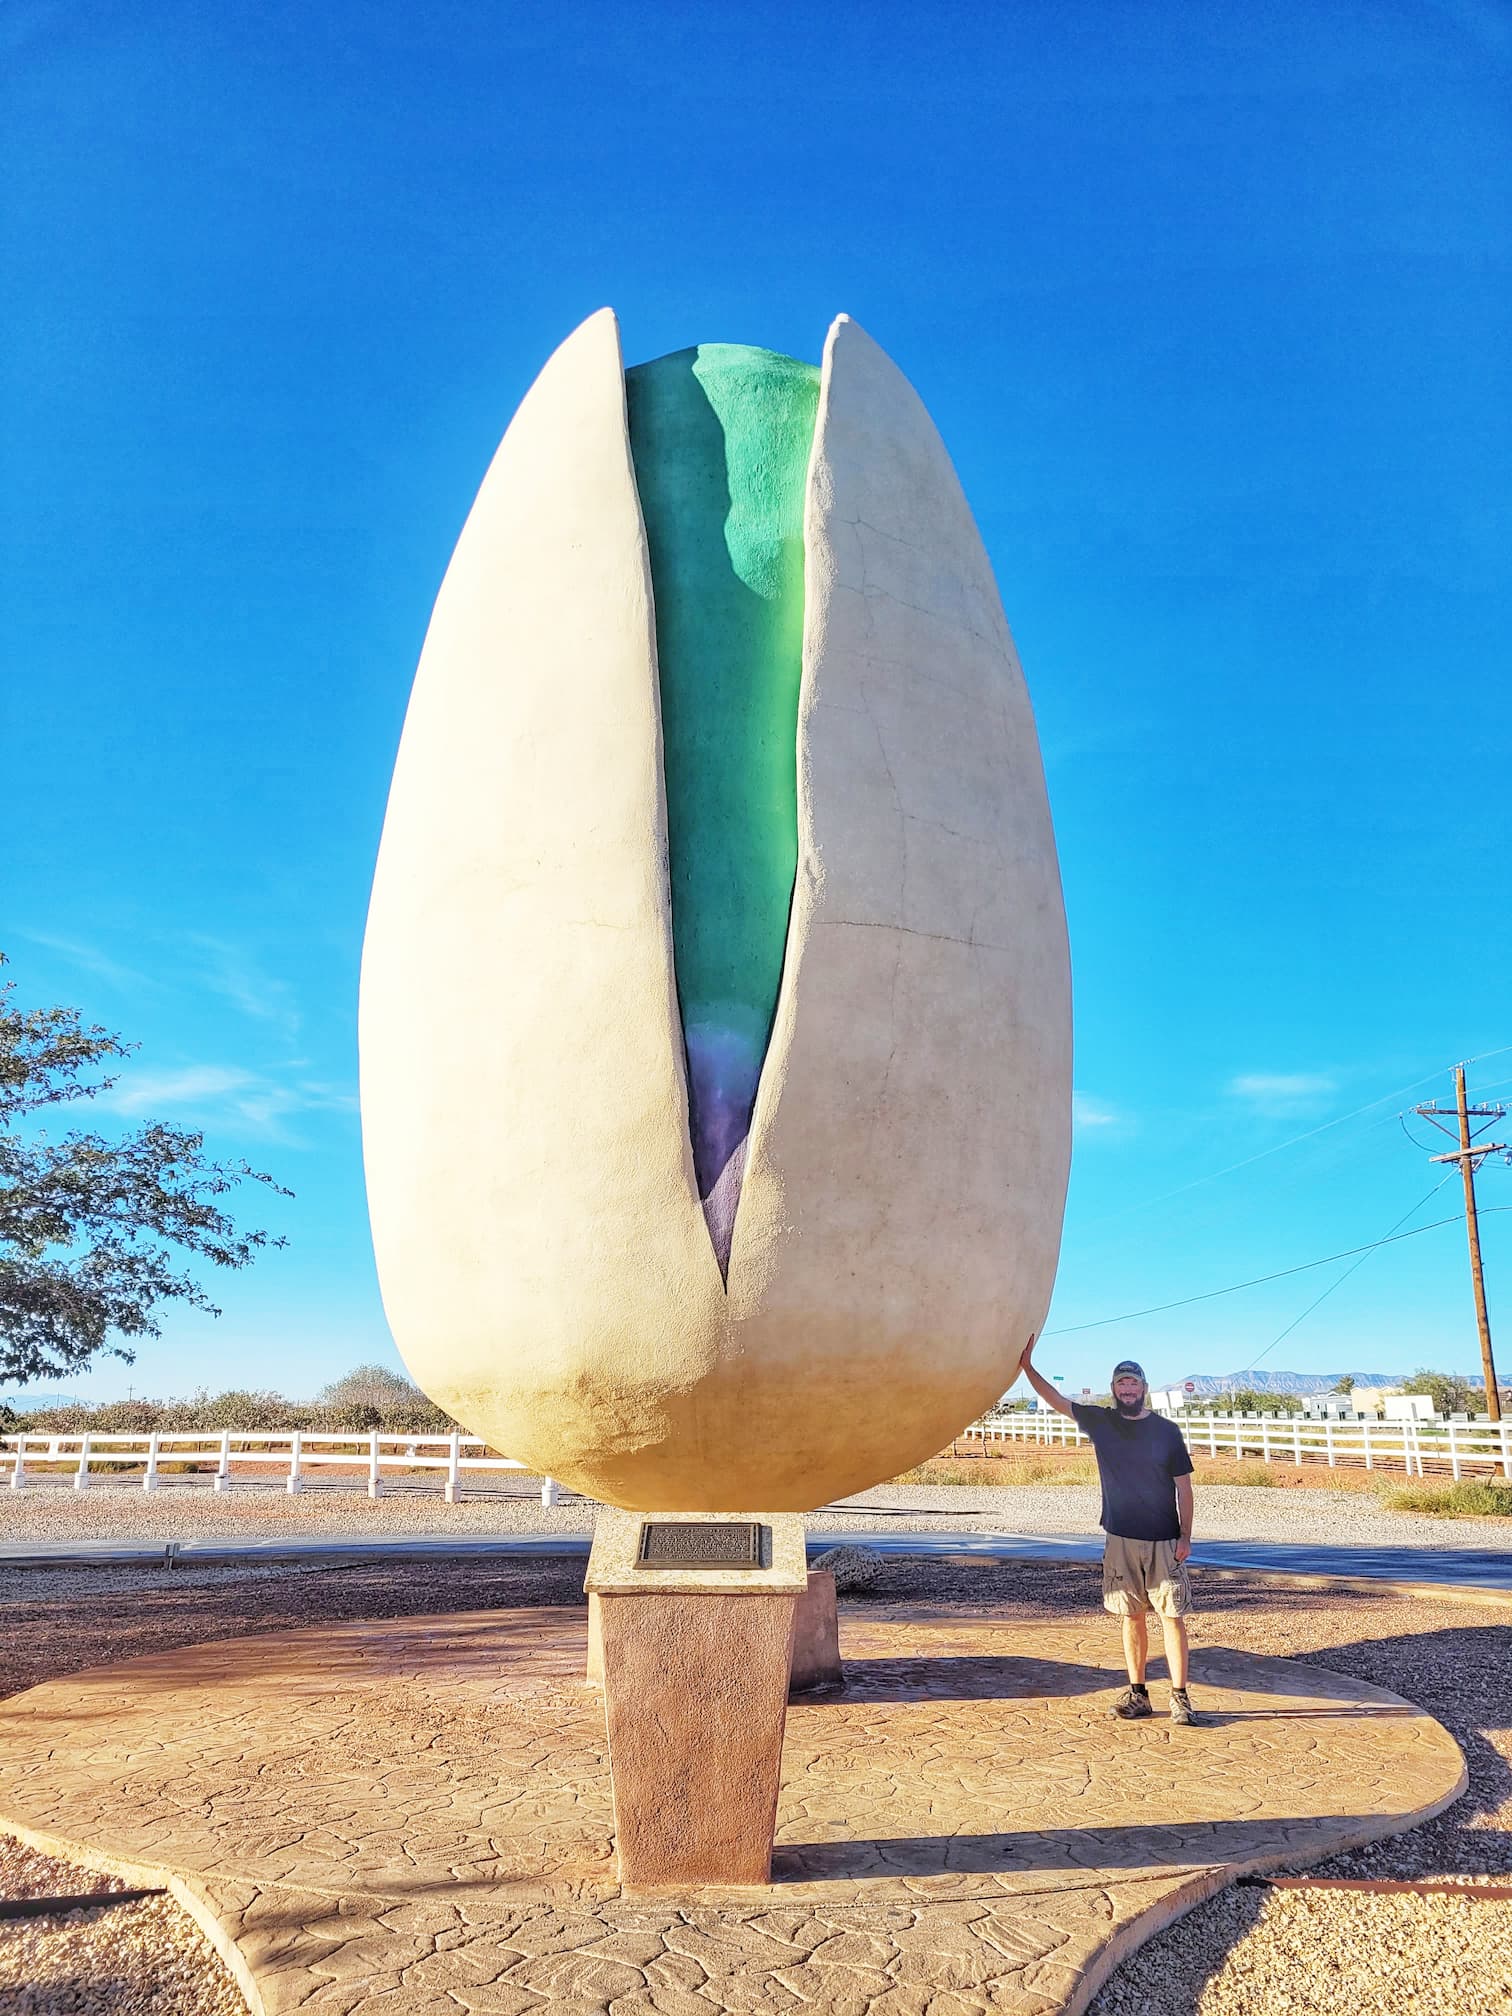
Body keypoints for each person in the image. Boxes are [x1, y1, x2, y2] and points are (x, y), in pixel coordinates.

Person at [1018, 1337, 1200, 1726]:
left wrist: (1185, 1537)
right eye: (1121, 1384)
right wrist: (1027, 1367)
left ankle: (1180, 1697)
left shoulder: (1167, 1432)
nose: (1128, 1390)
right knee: (1130, 1616)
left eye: (1133, 1384)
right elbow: (1056, 1399)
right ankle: (1138, 1694)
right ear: (1114, 1389)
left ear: (1144, 1389)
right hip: (1119, 1539)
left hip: (1164, 1540)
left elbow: (1184, 1486)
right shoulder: (1101, 1422)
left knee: (1172, 1617)